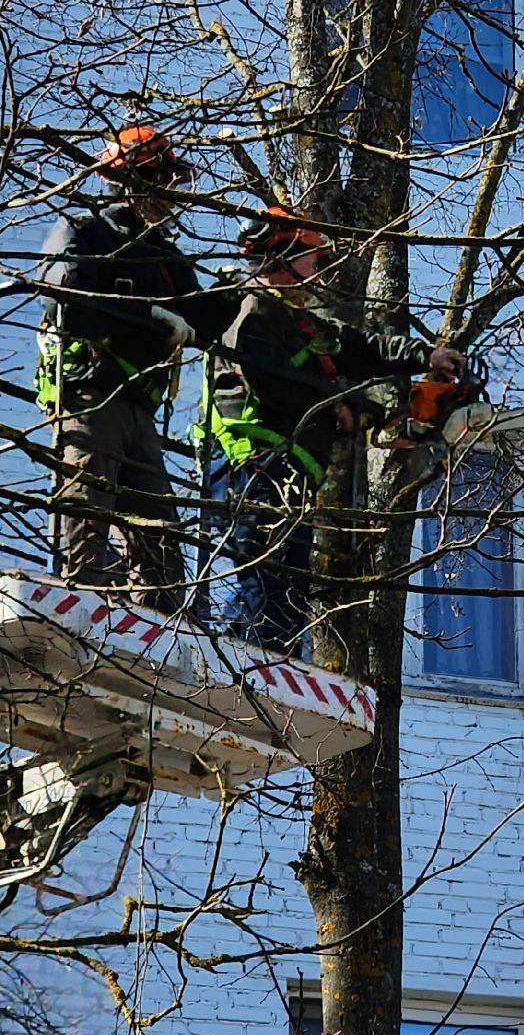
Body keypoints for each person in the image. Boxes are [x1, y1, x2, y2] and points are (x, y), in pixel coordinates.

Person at [204, 206, 464, 655]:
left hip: (288, 475)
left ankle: (271, 669)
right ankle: (254, 675)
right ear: (282, 256)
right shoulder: (250, 313)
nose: (318, 270)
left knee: (288, 590)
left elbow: (361, 346)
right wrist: (345, 409)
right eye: (311, 259)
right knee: (263, 585)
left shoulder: (300, 323)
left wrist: (427, 358)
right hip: (254, 470)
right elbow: (276, 385)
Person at [36, 125, 235, 615]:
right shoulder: (84, 233)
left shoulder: (166, 258)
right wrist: (147, 317)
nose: (170, 199)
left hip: (139, 406)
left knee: (158, 525)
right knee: (89, 503)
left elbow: (204, 316)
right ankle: (79, 608)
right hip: (90, 395)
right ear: (130, 183)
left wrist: (243, 292)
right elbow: (70, 299)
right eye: (162, 184)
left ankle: (157, 623)